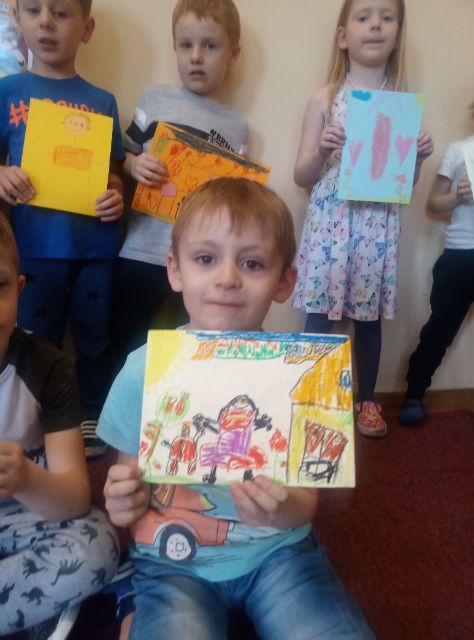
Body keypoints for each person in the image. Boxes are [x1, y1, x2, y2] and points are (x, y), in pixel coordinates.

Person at [99, 177, 374, 640]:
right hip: (174, 561)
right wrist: (124, 500)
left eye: (252, 263)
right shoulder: (144, 370)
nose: (227, 278)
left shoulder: (300, 374)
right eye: (206, 259)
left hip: (278, 550)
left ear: (285, 281)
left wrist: (280, 510)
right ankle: (136, 601)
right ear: (175, 271)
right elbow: (132, 481)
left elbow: (305, 504)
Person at [292, 0, 433, 437]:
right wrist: (321, 150)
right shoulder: (325, 98)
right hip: (330, 225)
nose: (375, 25)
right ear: (343, 36)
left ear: (397, 34)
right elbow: (301, 177)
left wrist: (418, 159)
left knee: (367, 320)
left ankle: (366, 400)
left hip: (375, 228)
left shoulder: (401, 106)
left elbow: (404, 187)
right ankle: (310, 399)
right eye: (364, 16)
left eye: (387, 17)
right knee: (320, 316)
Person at [0, 0, 125, 457]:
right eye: (34, 10)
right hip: (31, 246)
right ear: (17, 19)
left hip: (95, 248)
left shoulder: (102, 101)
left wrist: (116, 193)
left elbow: (113, 173)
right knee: (34, 339)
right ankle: (36, 420)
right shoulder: (7, 90)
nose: (46, 22)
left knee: (94, 337)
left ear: (86, 28)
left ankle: (92, 413)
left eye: (61, 12)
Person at [0, 214, 119, 638]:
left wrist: (24, 478)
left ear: (19, 289)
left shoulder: (46, 366)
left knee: (100, 544)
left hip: (25, 514)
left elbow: (73, 498)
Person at [112, 0, 247, 368]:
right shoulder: (154, 99)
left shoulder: (237, 129)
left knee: (186, 348)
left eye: (210, 46)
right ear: (175, 48)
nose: (196, 56)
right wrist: (135, 165)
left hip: (198, 261)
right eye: (186, 45)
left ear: (233, 54)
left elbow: (234, 198)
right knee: (125, 344)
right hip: (141, 250)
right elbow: (121, 155)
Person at [399, 93, 474, 425]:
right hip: (461, 256)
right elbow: (433, 205)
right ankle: (414, 393)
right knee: (439, 331)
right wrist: (458, 195)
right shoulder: (461, 151)